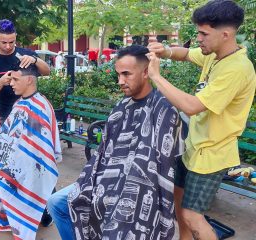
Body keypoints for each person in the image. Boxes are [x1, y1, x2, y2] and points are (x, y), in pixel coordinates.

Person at [47, 45, 185, 240]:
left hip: (141, 186)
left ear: (147, 72)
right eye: (118, 74)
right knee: (56, 203)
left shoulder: (164, 108)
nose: (120, 81)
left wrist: (120, 185)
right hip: (107, 177)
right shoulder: (122, 106)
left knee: (117, 215)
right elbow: (104, 152)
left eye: (127, 74)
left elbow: (161, 163)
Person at [147, 1, 256, 239]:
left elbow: (192, 106)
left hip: (212, 154)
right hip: (193, 147)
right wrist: (164, 51)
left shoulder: (237, 69)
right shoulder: (215, 55)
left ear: (226, 34)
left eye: (203, 33)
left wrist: (156, 76)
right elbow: (185, 54)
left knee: (192, 217)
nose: (198, 38)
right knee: (179, 204)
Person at [0, 66, 61, 240]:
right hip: (18, 155)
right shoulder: (19, 103)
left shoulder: (40, 105)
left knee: (7, 175)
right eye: (10, 80)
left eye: (15, 80)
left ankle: (41, 211)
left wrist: (13, 159)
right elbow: (7, 134)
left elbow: (39, 147)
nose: (11, 84)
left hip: (34, 160)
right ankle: (12, 210)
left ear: (29, 80)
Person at [0, 19, 50, 125]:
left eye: (11, 42)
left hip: (32, 112)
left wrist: (35, 60)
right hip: (7, 114)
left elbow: (47, 72)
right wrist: (1, 82)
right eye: (4, 42)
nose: (8, 46)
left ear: (15, 36)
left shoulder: (27, 54)